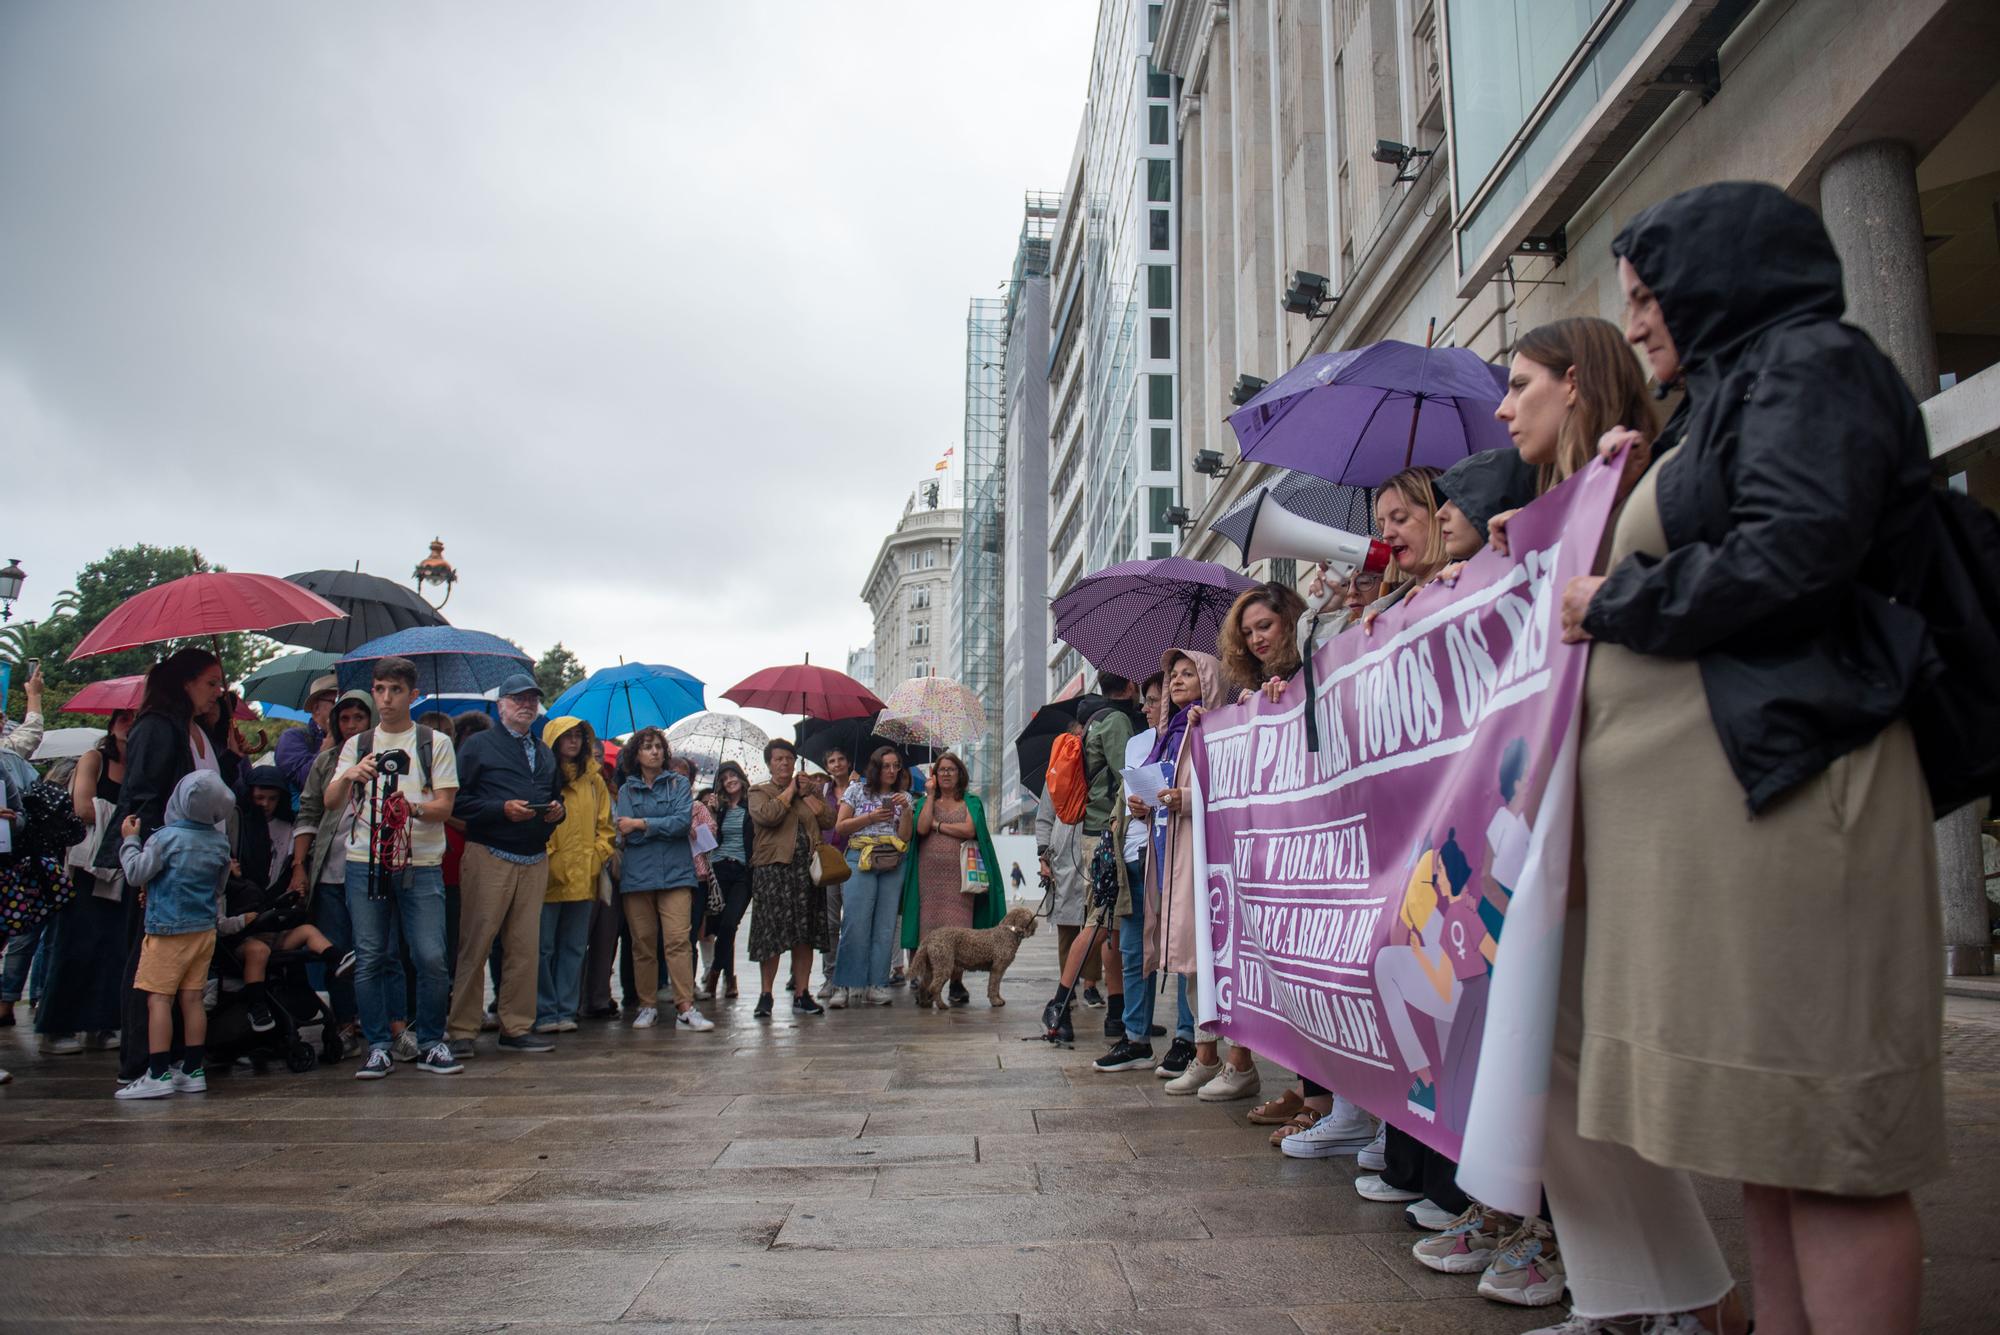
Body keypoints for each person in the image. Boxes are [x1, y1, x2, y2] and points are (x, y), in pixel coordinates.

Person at [1553, 183, 1939, 1335]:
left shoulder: (1813, 366)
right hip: (1738, 824)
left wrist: (1616, 597)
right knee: (1766, 1143)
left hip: (1789, 798)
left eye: (1645, 296)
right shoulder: (1738, 391)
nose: (1633, 325)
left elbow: (1793, 552)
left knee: (1828, 1146)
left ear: (1718, 277)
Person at [323, 656, 462, 1079]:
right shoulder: (358, 745)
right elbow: (329, 803)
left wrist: (413, 809)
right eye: (380, 689)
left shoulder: (433, 741)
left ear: (412, 695)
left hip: (419, 861)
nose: (385, 698)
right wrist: (352, 775)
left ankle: (432, 1041)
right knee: (370, 955)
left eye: (395, 690)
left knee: (431, 955)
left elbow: (445, 806)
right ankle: (379, 1045)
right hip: (365, 860)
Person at [95, 647, 225, 1085]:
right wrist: (146, 859)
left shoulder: (196, 729)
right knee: (147, 966)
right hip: (160, 862)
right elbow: (145, 796)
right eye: (210, 683)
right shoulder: (157, 726)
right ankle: (139, 1063)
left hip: (189, 867)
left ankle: (171, 1058)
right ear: (185, 682)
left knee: (180, 972)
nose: (218, 692)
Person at [1142, 650, 1254, 1102]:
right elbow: (1163, 787)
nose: (1177, 681)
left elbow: (1232, 788)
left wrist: (1181, 799)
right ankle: (1205, 1056)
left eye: (1189, 673)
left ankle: (1240, 1063)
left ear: (1209, 679)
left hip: (1211, 859)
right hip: (1174, 852)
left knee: (1223, 959)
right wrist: (1147, 802)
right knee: (1190, 958)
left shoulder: (1216, 725)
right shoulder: (1170, 733)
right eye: (1173, 675)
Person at [447, 674, 562, 1057]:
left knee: (524, 948)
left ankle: (516, 1026)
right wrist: (500, 809)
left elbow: (554, 797)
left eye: (531, 699)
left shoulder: (544, 751)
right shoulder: (478, 746)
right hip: (489, 853)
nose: (526, 705)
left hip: (533, 856)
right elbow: (456, 802)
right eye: (517, 699)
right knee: (476, 944)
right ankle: (462, 1029)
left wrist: (556, 813)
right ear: (501, 706)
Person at [110, 771, 234, 1099]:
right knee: (192, 1000)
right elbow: (219, 887)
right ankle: (193, 1070)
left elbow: (137, 873)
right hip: (204, 930)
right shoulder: (220, 842)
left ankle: (157, 1073)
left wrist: (130, 841)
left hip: (167, 930)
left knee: (159, 1000)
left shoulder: (165, 838)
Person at [25, 710, 130, 1053]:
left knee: (114, 948)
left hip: (121, 868)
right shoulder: (94, 758)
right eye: (124, 718)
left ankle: (103, 1023)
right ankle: (57, 1027)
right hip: (85, 869)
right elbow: (83, 807)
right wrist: (125, 820)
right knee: (75, 946)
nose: (129, 725)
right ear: (112, 724)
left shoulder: (142, 765)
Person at [1097, 673, 1182, 1074]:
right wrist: (1132, 804)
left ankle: (1188, 1037)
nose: (1145, 708)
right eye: (1145, 700)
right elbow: (1126, 792)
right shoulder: (1136, 742)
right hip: (1133, 850)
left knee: (1179, 950)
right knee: (1133, 952)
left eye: (1153, 701)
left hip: (1172, 852)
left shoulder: (1192, 736)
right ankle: (1136, 1038)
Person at [613, 727, 712, 1032]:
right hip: (637, 874)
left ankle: (685, 1006)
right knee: (642, 943)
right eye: (647, 747)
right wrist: (657, 827)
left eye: (658, 746)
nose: (654, 751)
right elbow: (623, 830)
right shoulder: (626, 791)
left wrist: (642, 823)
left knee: (678, 941)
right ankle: (646, 1004)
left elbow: (682, 824)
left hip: (676, 873)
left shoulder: (679, 784)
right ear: (636, 754)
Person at [897, 751, 1007, 1006]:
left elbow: (969, 829)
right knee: (930, 931)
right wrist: (931, 796)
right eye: (941, 770)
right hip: (929, 880)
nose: (946, 774)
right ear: (934, 775)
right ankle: (928, 985)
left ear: (960, 774)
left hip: (961, 879)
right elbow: (921, 828)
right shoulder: (926, 801)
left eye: (951, 769)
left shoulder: (972, 801)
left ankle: (956, 983)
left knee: (959, 932)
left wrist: (939, 826)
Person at [536, 715, 614, 1034]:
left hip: (584, 875)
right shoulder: (541, 776)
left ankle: (566, 1009)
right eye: (566, 736)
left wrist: (596, 857)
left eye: (579, 736)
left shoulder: (594, 781)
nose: (573, 741)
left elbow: (605, 828)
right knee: (543, 948)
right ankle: (543, 1010)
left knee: (573, 947)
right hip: (548, 876)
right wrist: (550, 858)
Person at [746, 738, 834, 1018]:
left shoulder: (809, 791)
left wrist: (807, 794)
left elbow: (829, 820)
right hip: (772, 870)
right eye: (778, 759)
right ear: (770, 763)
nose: (784, 763)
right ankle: (766, 994)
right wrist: (789, 793)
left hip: (805, 871)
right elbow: (768, 816)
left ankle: (802, 993)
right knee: (770, 934)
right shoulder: (759, 791)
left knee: (804, 934)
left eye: (788, 758)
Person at [830, 745, 914, 1008]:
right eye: (886, 765)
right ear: (876, 767)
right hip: (860, 857)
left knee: (886, 925)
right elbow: (841, 827)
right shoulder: (856, 789)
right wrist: (870, 817)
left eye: (896, 766)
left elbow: (905, 837)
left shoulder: (904, 797)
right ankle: (844, 984)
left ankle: (877, 983)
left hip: (892, 860)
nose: (891, 770)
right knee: (855, 922)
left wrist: (907, 811)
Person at [702, 760, 755, 1001]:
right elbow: (709, 840)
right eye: (724, 778)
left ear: (741, 778)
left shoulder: (753, 804)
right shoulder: (719, 808)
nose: (729, 780)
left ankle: (715, 973)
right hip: (719, 869)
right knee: (722, 925)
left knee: (729, 923)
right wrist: (711, 813)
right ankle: (729, 977)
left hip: (743, 871)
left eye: (733, 775)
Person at [812, 746, 855, 1001]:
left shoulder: (861, 787)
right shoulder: (823, 791)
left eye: (841, 759)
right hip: (829, 860)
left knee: (851, 922)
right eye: (832, 761)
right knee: (830, 923)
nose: (837, 764)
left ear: (848, 762)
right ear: (827, 766)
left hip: (854, 858)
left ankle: (848, 977)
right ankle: (830, 976)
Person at [273, 674, 339, 795]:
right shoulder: (292, 738)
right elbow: (304, 780)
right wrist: (329, 744)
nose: (341, 707)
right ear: (316, 709)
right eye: (335, 701)